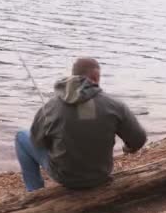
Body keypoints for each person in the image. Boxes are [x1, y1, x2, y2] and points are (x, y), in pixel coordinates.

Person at [15, 57, 147, 192]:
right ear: (96, 77)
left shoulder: (50, 107)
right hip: (100, 175)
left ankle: (34, 191)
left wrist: (53, 141)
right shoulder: (115, 105)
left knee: (21, 137)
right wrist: (127, 149)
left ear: (74, 76)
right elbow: (138, 140)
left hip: (64, 177)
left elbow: (37, 142)